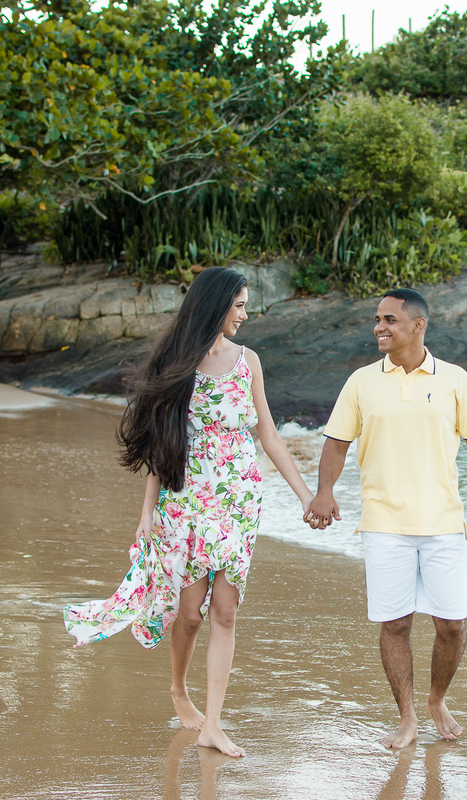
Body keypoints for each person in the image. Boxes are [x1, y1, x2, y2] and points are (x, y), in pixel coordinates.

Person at [64, 267, 314, 757]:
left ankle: (213, 723)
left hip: (239, 504)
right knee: (190, 614)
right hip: (186, 501)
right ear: (217, 305)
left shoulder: (249, 362)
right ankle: (179, 690)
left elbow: (268, 435)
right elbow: (162, 444)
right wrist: (146, 512)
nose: (245, 314)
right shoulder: (177, 364)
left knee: (225, 610)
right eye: (239, 305)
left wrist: (305, 496)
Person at [306, 288, 467, 749]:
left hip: (443, 522)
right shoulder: (361, 382)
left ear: (418, 325)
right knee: (395, 624)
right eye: (377, 319)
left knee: (452, 624)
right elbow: (335, 443)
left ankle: (436, 699)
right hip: (383, 522)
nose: (379, 327)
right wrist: (324, 492)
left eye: (389, 319)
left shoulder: (455, 379)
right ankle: (407, 716)